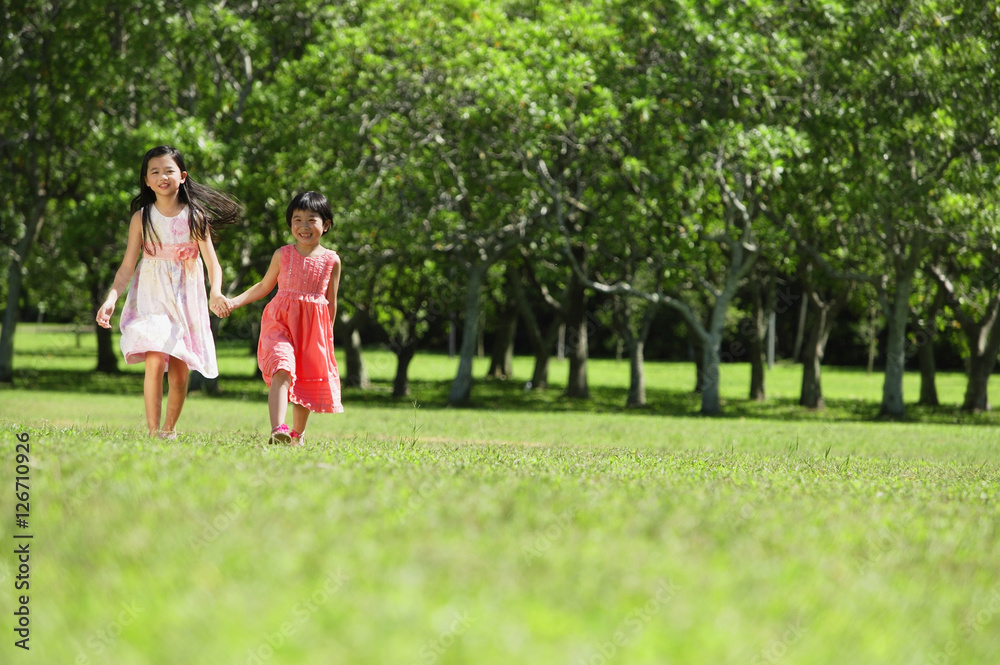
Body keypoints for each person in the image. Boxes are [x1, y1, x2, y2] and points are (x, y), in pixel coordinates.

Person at [96, 145, 242, 438]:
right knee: (153, 359)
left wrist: (216, 292)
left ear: (183, 176)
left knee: (178, 372)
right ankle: (152, 431)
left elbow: (212, 263)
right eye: (155, 172)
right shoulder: (142, 218)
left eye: (169, 170)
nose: (163, 176)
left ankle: (169, 430)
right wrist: (111, 297)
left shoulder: (195, 217)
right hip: (151, 296)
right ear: (147, 181)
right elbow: (127, 266)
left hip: (186, 297)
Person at [224, 191, 343, 445]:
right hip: (280, 322)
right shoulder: (283, 255)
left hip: (314, 331)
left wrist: (327, 338)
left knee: (306, 382)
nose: (303, 226)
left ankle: (297, 436)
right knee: (282, 366)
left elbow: (331, 301)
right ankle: (278, 428)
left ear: (326, 224)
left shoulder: (332, 260)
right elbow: (264, 285)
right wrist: (235, 301)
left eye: (311, 220)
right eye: (297, 220)